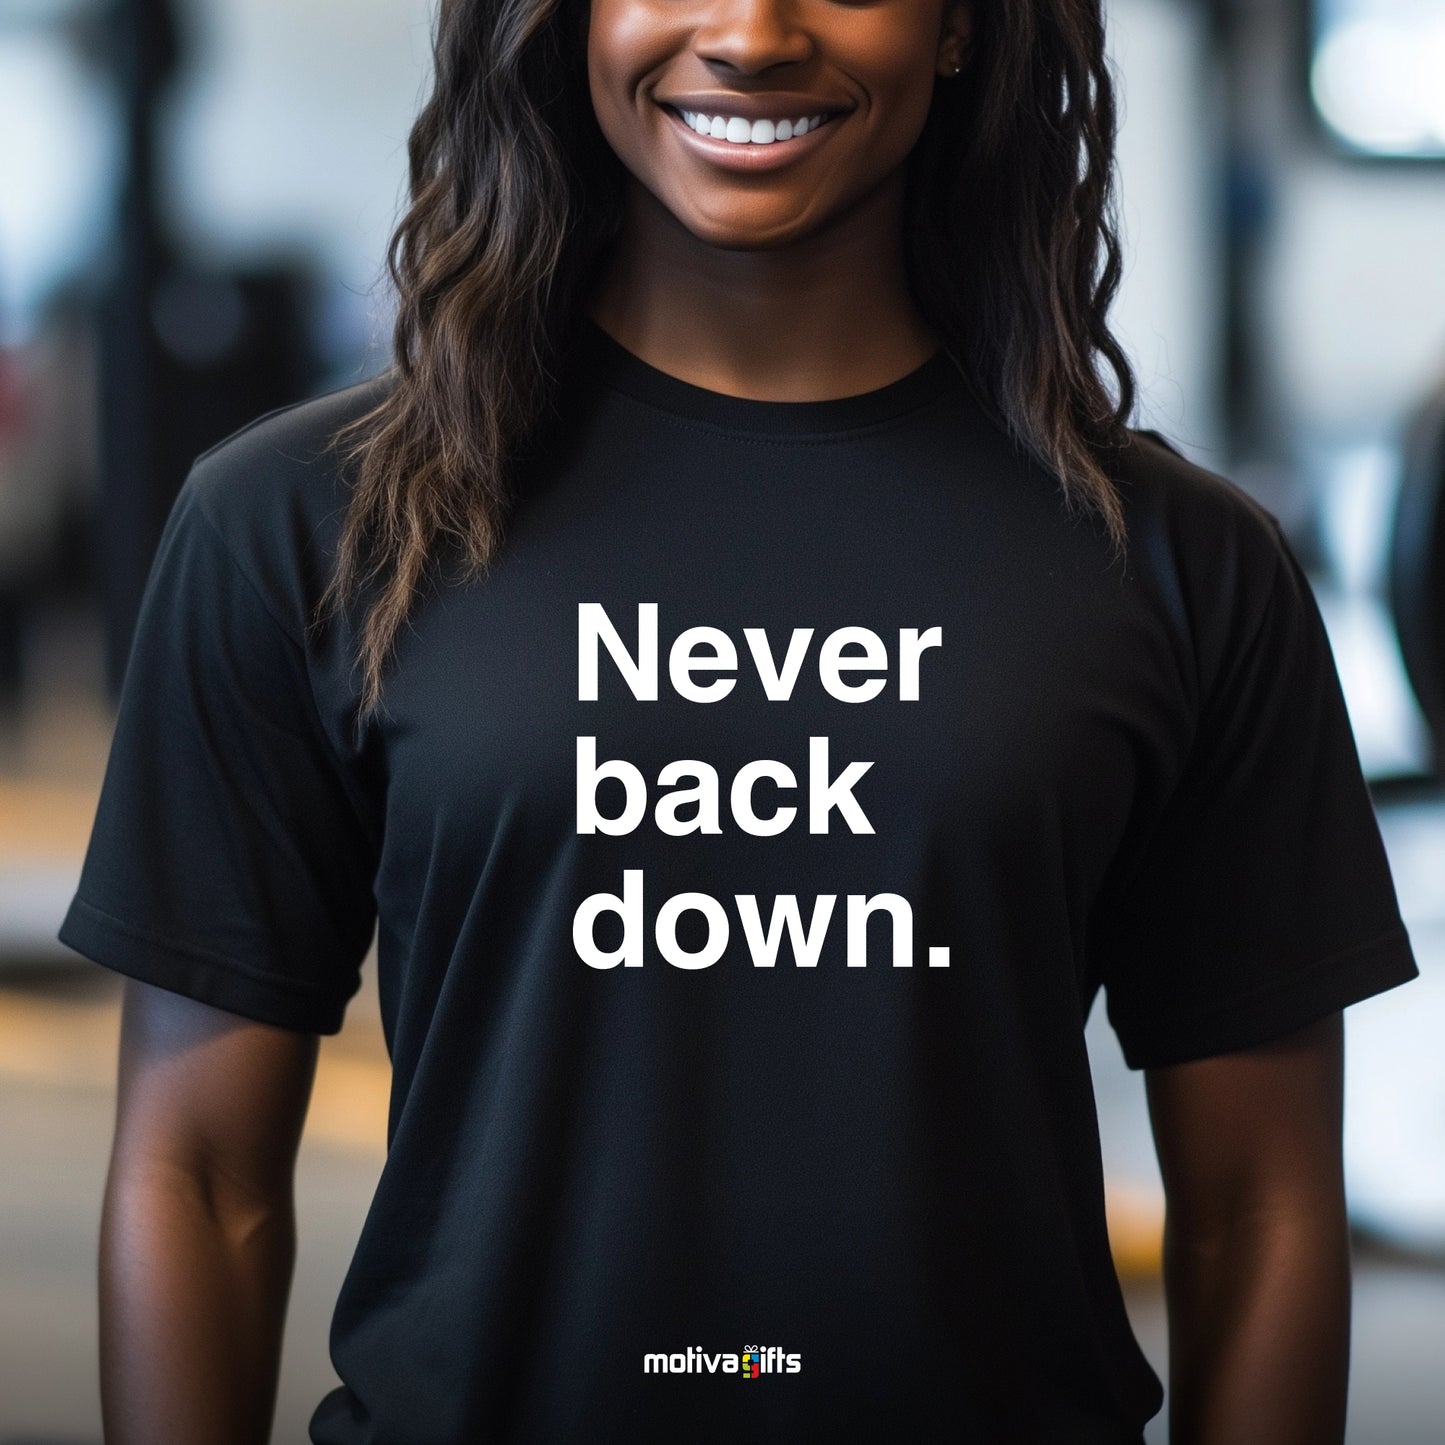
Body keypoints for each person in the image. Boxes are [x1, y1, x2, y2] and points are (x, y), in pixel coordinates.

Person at [59, 0, 1419, 1440]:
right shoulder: (308, 528)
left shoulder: (1178, 568)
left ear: (958, 27)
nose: (754, 35)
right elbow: (195, 1171)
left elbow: (1256, 1207)